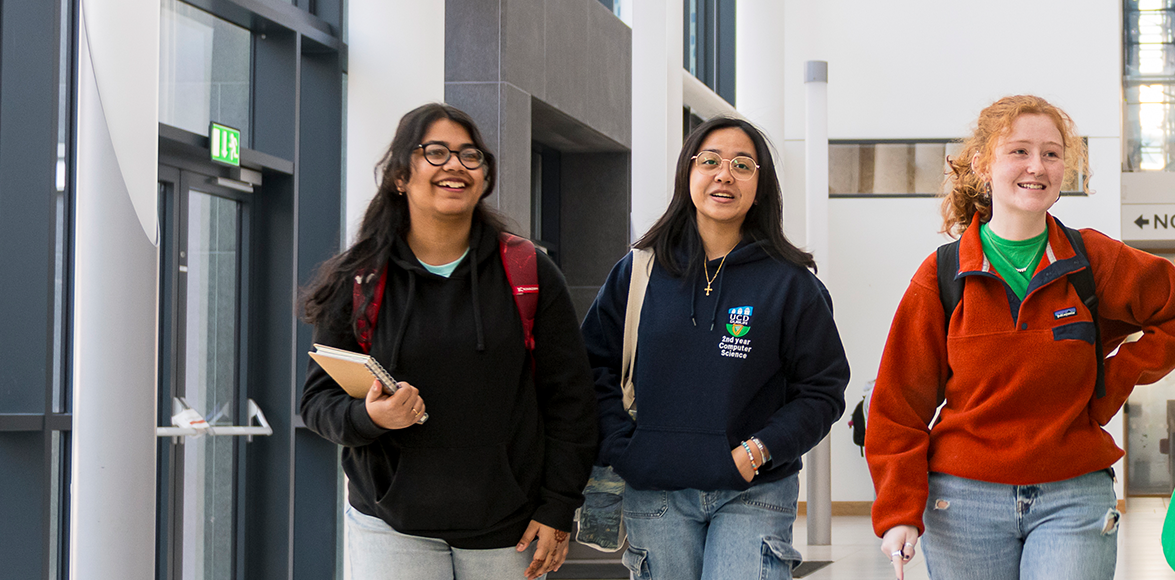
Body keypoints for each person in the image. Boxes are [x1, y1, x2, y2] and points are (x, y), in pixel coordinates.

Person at [866, 95, 1175, 580]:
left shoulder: (1093, 258)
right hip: (962, 500)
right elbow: (897, 408)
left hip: (1073, 495)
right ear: (983, 164)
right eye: (1019, 151)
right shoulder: (942, 276)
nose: (1037, 166)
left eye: (1052, 154)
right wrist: (899, 513)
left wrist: (1109, 381)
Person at [298, 103, 598, 579]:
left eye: (469, 155)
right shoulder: (361, 280)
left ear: (484, 177)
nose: (455, 165)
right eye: (436, 152)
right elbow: (317, 403)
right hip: (390, 528)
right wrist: (370, 416)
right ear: (401, 176)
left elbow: (572, 403)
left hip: (509, 530)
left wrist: (558, 508)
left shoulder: (527, 272)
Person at [581, 117, 850, 580]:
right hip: (656, 489)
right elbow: (593, 367)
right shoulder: (638, 272)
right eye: (709, 161)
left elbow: (822, 390)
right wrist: (625, 449)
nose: (724, 174)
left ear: (760, 188)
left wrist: (757, 451)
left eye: (742, 165)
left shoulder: (792, 284)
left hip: (754, 489)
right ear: (688, 175)